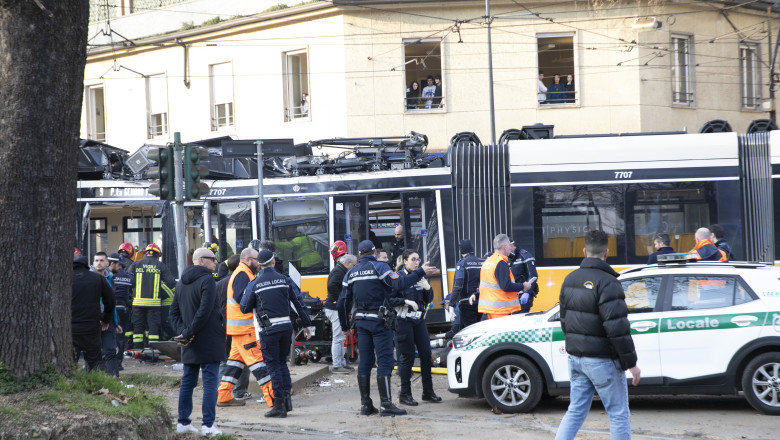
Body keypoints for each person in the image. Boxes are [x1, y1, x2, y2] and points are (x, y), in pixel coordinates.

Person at [555, 230, 641, 440]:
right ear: (607, 253)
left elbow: (564, 320)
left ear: (584, 251)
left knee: (575, 411)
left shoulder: (570, 279)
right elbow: (617, 328)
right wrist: (631, 363)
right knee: (618, 415)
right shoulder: (609, 282)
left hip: (576, 359)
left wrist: (576, 346)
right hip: (603, 361)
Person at [337, 240, 437, 417]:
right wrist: (421, 272)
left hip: (361, 322)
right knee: (385, 361)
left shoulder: (350, 273)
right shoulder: (380, 267)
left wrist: (345, 326)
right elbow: (398, 284)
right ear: (374, 253)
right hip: (380, 321)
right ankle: (385, 404)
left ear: (359, 254)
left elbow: (342, 302)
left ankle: (366, 404)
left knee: (365, 362)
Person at [240, 249, 312, 418]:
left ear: (259, 264)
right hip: (286, 328)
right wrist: (307, 324)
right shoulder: (285, 280)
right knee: (282, 363)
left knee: (273, 366)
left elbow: (244, 307)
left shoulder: (255, 283)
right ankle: (287, 401)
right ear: (273, 262)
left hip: (268, 330)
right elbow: (298, 302)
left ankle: (279, 406)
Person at [169, 247, 225, 437]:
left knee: (188, 381)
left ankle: (183, 422)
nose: (216, 262)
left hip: (190, 341)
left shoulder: (181, 282)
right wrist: (189, 332)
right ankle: (208, 426)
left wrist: (184, 333)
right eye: (212, 259)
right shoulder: (207, 279)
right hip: (208, 338)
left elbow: (173, 313)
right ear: (200, 260)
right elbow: (205, 310)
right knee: (210, 382)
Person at [217, 248, 273, 408]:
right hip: (246, 330)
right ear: (248, 260)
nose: (260, 263)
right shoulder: (243, 274)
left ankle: (223, 396)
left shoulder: (242, 273)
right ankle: (274, 399)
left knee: (234, 364)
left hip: (238, 330)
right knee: (259, 364)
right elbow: (242, 298)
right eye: (257, 260)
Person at [394, 250, 441, 406]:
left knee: (426, 355)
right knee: (407, 357)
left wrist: (428, 289)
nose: (416, 262)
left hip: (419, 321)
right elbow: (390, 298)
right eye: (413, 259)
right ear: (405, 261)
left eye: (418, 260)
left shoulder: (420, 276)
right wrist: (405, 302)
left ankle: (428, 392)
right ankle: (405, 394)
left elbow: (428, 300)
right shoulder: (398, 277)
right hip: (404, 321)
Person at [215, 254, 252, 402]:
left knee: (225, 360)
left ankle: (221, 391)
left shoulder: (219, 284)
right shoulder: (241, 282)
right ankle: (239, 392)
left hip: (223, 327)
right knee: (243, 360)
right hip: (240, 327)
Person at [127, 243, 176, 349]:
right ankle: (153, 348)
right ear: (157, 255)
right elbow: (171, 283)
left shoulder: (136, 264)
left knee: (138, 326)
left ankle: (137, 348)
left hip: (137, 303)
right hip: (154, 304)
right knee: (153, 326)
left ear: (146, 253)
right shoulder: (160, 265)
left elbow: (128, 281)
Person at [72, 255, 115, 371]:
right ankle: (96, 384)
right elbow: (110, 301)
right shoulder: (97, 279)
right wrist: (105, 319)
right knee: (94, 361)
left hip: (70, 328)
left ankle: (68, 384)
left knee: (70, 361)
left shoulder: (64, 278)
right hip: (91, 327)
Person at [476, 234, 530, 319]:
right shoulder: (500, 263)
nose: (511, 248)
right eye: (509, 245)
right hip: (500, 311)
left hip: (490, 310)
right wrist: (523, 286)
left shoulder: (489, 261)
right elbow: (506, 286)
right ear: (504, 247)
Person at [325, 241, 356, 374]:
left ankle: (342, 362)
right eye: (353, 265)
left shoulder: (339, 269)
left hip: (334, 307)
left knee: (341, 337)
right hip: (334, 308)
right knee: (338, 337)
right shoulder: (339, 271)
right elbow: (331, 285)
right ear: (347, 263)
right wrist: (339, 299)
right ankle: (337, 365)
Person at [443, 239, 483, 339]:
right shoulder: (480, 262)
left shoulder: (462, 263)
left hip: (466, 302)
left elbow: (458, 285)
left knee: (471, 333)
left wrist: (451, 304)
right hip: (480, 301)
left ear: (462, 251)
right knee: (474, 328)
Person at [108, 252, 133, 370]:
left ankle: (109, 363)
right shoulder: (128, 277)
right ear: (112, 263)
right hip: (122, 309)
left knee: (109, 336)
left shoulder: (109, 277)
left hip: (111, 308)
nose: (120, 268)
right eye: (119, 265)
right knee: (120, 337)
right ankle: (117, 363)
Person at [509, 242, 539, 313]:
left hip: (522, 295)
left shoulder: (525, 255)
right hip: (512, 296)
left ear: (512, 245)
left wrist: (526, 292)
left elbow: (533, 276)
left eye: (507, 247)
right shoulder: (506, 257)